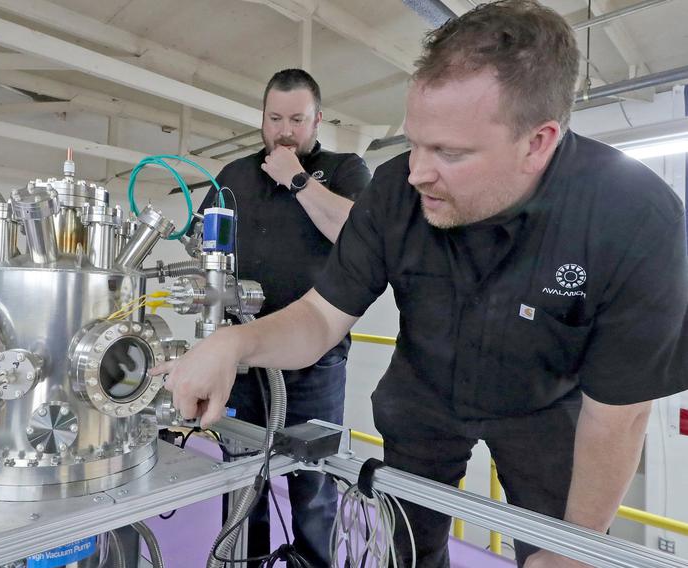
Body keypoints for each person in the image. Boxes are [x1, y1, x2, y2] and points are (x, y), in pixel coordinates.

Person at [155, 2, 688, 567]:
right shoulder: (394, 190)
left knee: (556, 551)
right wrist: (232, 343)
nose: (417, 172)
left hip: (546, 410)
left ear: (538, 142)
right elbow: (320, 317)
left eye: (449, 153)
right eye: (414, 142)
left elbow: (618, 414)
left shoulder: (632, 217)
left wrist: (577, 547)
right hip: (423, 398)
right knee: (408, 550)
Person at [192, 68, 371, 566]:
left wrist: (295, 178)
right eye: (274, 118)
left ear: (318, 120)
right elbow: (204, 245)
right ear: (262, 119)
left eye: (296, 119)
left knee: (314, 485)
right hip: (243, 361)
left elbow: (356, 236)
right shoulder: (233, 176)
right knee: (243, 483)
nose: (284, 130)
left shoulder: (344, 168)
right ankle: (245, 560)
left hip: (315, 361)